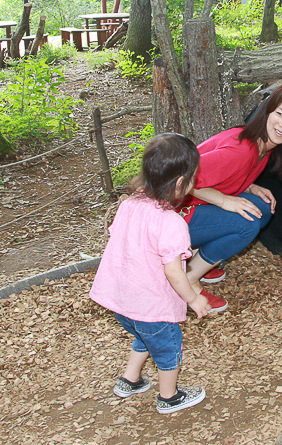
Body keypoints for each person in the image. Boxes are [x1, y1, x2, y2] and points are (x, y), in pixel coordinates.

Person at [90, 133, 210, 415]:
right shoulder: (171, 223)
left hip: (122, 303)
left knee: (145, 336)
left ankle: (130, 380)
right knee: (168, 348)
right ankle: (169, 397)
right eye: (193, 176)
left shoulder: (129, 205)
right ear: (180, 183)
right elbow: (174, 272)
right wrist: (194, 299)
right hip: (152, 306)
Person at [180, 81, 282, 312]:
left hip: (190, 210)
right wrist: (225, 200)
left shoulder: (262, 146)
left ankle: (199, 258)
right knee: (246, 222)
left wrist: (249, 186)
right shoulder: (241, 150)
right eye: (280, 114)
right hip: (168, 217)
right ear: (267, 110)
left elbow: (222, 174)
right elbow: (180, 179)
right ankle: (189, 279)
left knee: (260, 207)